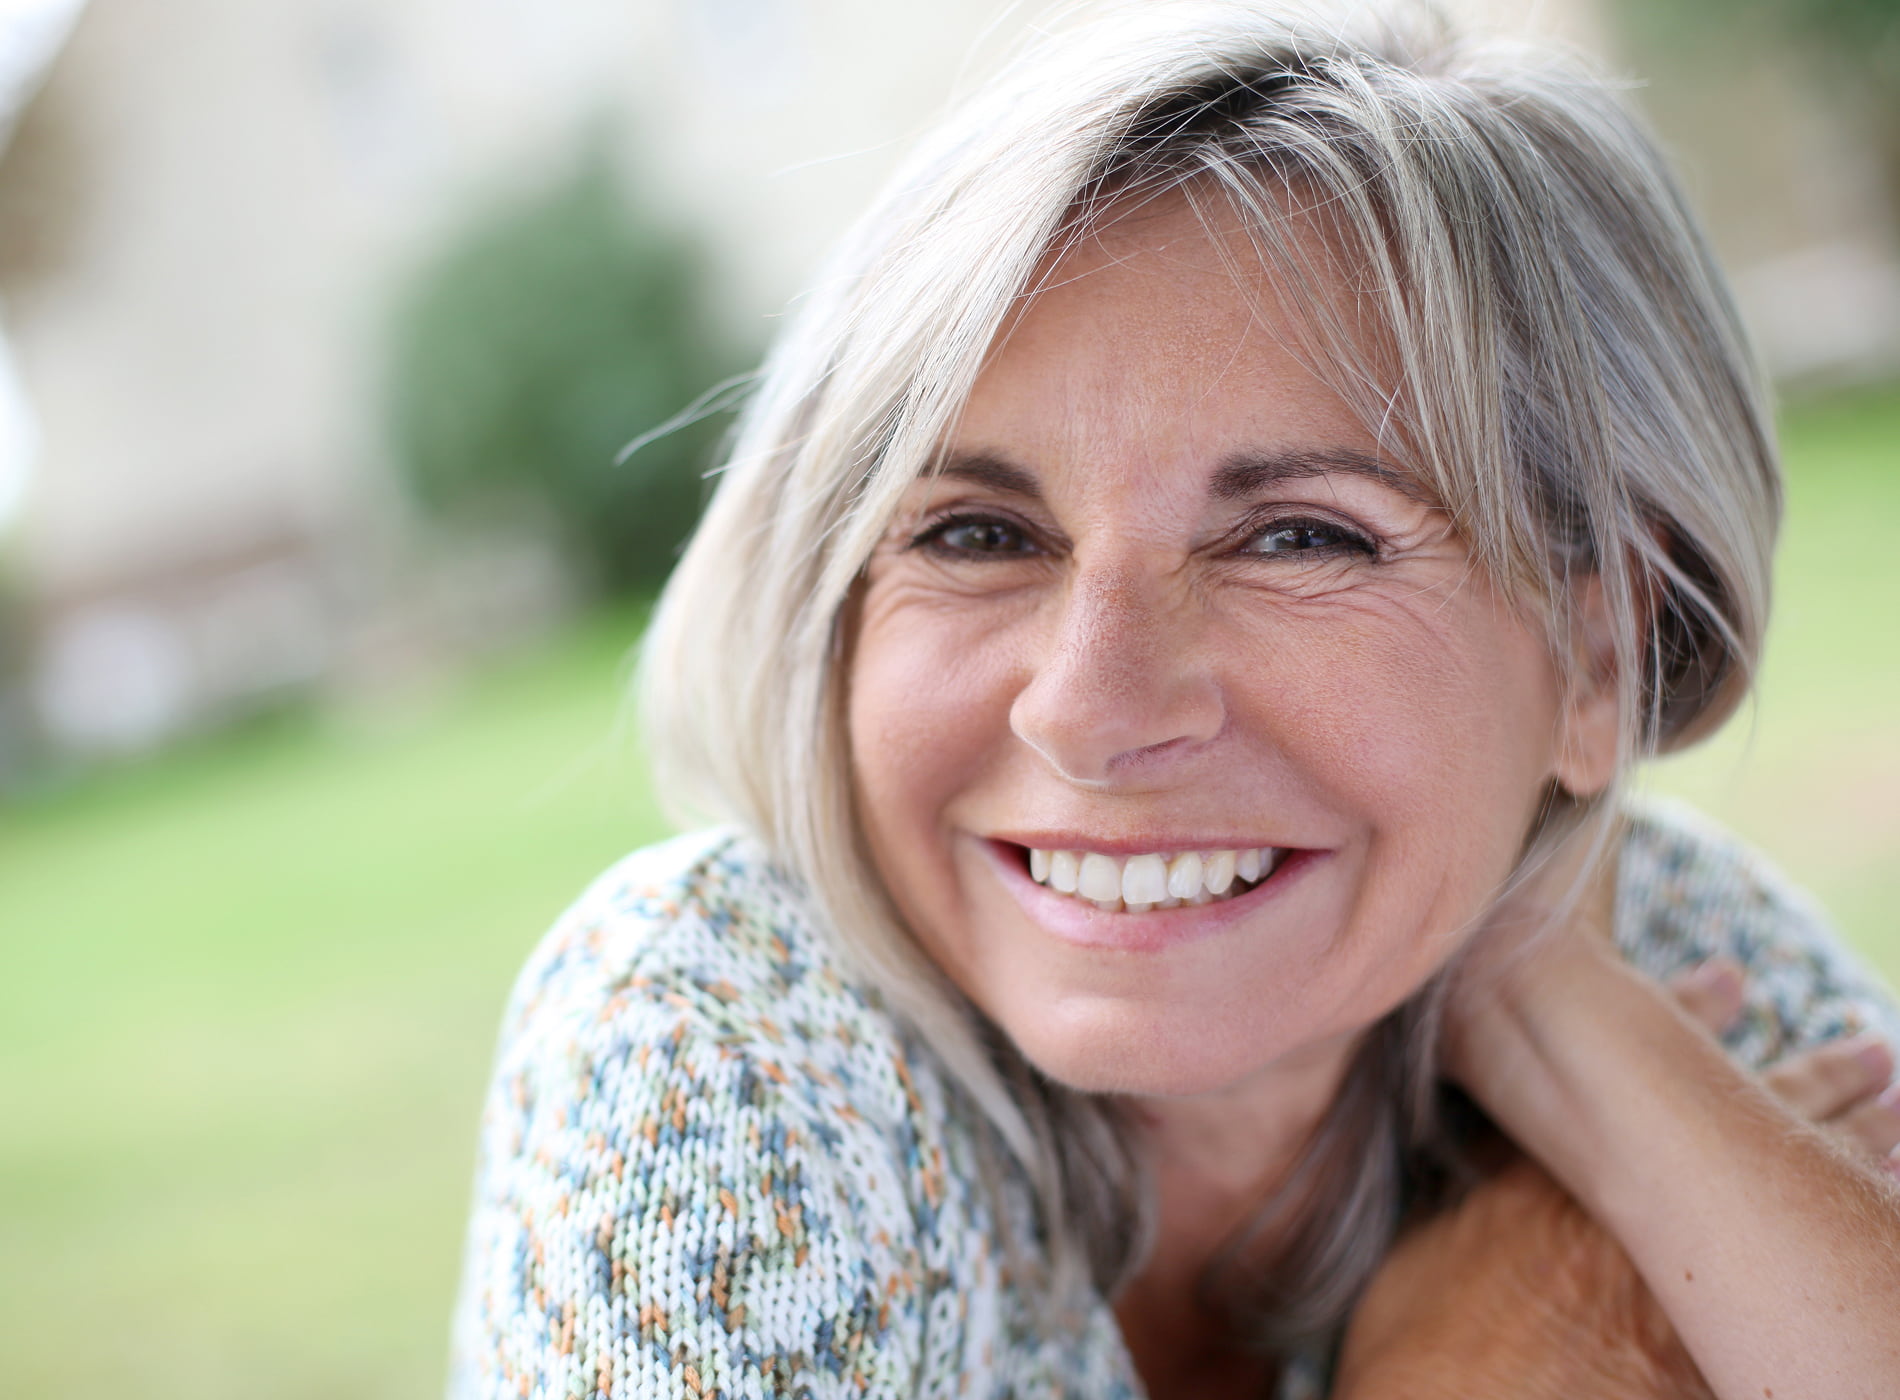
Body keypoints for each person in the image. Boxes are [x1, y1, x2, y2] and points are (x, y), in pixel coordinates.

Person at [448, 4, 1900, 1397]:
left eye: (1298, 538)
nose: (1087, 712)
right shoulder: (729, 1038)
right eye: (980, 534)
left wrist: (1560, 1033)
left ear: (1597, 659)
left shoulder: (1679, 947)